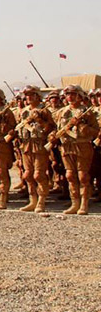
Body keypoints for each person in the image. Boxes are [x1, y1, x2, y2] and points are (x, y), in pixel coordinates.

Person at [51, 85, 99, 215]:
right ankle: (75, 202)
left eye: (73, 94)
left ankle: (84, 203)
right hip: (66, 147)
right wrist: (53, 135)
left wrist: (82, 126)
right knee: (70, 175)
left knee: (83, 176)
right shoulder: (62, 112)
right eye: (68, 95)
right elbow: (57, 128)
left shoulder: (87, 112)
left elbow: (95, 131)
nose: (70, 97)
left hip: (82, 146)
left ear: (79, 96)